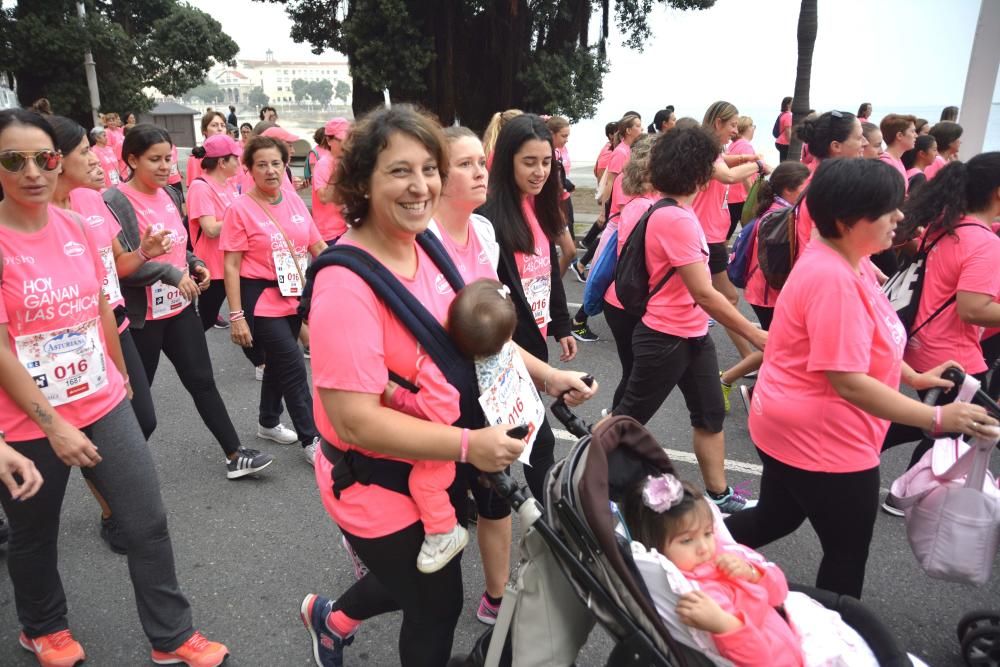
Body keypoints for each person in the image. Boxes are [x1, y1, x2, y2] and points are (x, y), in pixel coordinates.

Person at [298, 104, 596, 667]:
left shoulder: (429, 249)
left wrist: (551, 376)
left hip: (431, 463)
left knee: (418, 582)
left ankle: (330, 619)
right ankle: (333, 619)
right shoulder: (345, 282)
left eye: (429, 169)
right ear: (362, 182)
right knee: (436, 604)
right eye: (400, 171)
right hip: (375, 478)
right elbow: (353, 420)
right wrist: (469, 446)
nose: (421, 185)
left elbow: (479, 338)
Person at [0, 108, 230, 667]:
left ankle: (171, 635)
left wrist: (120, 374)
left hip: (100, 397)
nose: (34, 171)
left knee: (145, 519)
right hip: (28, 418)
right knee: (34, 532)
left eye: (45, 158)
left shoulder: (79, 226)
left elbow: (99, 302)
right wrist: (53, 425)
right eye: (14, 160)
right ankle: (44, 627)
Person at [724, 157, 996, 598]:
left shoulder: (852, 260)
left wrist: (915, 374)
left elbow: (879, 334)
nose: (900, 217)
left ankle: (690, 555)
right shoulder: (833, 278)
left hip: (791, 424)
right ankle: (840, 636)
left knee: (776, 517)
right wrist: (940, 419)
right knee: (846, 552)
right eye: (888, 209)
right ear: (849, 219)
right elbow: (848, 381)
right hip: (824, 439)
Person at [610, 125, 767, 514]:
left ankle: (719, 493)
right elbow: (703, 292)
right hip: (665, 338)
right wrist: (753, 332)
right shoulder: (675, 219)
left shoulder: (677, 211)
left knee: (710, 414)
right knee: (627, 420)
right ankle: (592, 487)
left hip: (692, 334)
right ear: (699, 172)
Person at [108, 123, 273, 480]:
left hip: (179, 308)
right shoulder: (115, 201)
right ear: (132, 159)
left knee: (202, 380)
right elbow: (119, 268)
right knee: (138, 405)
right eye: (155, 159)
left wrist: (195, 264)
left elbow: (180, 246)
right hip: (141, 317)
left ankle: (234, 453)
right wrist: (170, 275)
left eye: (169, 158)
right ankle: (118, 477)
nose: (167, 166)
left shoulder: (169, 194)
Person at [49, 113, 172, 551]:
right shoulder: (35, 214)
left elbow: (116, 269)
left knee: (143, 419)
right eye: (84, 151)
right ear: (56, 160)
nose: (95, 158)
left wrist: (146, 253)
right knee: (75, 438)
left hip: (114, 323)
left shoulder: (93, 201)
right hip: (63, 343)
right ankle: (111, 512)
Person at [880, 152, 1000, 515]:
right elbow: (973, 308)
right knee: (957, 426)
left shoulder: (948, 225)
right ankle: (902, 494)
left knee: (935, 420)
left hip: (921, 343)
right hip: (952, 357)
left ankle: (863, 445)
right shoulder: (985, 243)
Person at [427, 125, 512, 624]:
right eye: (465, 163)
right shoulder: (421, 240)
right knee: (441, 507)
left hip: (487, 390)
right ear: (439, 175)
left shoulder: (484, 232)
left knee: (499, 493)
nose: (480, 171)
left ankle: (496, 597)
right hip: (437, 397)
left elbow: (492, 323)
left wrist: (542, 375)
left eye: (482, 161)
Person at [385, 279, 524, 573]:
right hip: (484, 440)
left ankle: (444, 532)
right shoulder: (496, 362)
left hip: (445, 449)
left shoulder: (438, 371)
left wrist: (397, 396)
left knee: (422, 484)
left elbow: (434, 409)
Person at [477, 112, 580, 500]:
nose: (539, 172)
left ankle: (491, 499)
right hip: (504, 352)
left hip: (533, 344)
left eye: (546, 162)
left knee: (507, 446)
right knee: (537, 442)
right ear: (507, 161)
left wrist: (562, 326)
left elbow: (549, 270)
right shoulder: (487, 219)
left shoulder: (539, 206)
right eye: (529, 162)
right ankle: (559, 527)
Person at [221, 135, 327, 465]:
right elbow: (231, 264)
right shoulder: (240, 209)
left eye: (276, 163)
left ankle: (268, 420)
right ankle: (312, 439)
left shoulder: (294, 201)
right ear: (249, 169)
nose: (270, 170)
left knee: (280, 366)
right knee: (293, 362)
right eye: (262, 164)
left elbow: (318, 246)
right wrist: (236, 316)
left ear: (286, 165)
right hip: (262, 299)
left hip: (294, 295)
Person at [624, 474, 803, 666]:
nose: (704, 547)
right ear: (656, 547)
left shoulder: (721, 553)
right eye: (687, 540)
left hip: (788, 637)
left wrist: (752, 573)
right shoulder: (699, 594)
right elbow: (760, 661)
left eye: (708, 533)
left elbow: (779, 594)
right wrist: (725, 624)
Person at [720, 162, 810, 413]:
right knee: (781, 347)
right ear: (790, 189)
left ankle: (733, 382)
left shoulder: (776, 210)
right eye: (805, 186)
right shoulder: (783, 216)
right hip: (770, 294)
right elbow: (782, 264)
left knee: (779, 346)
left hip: (763, 291)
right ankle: (735, 384)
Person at [694, 101, 771, 363]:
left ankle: (744, 356)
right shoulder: (704, 149)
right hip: (706, 233)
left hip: (710, 231)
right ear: (718, 123)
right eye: (733, 125)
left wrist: (744, 158)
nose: (735, 131)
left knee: (706, 295)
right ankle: (747, 356)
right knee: (726, 297)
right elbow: (726, 175)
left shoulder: (711, 149)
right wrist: (759, 165)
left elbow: (723, 162)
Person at [602, 134, 656, 411]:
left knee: (634, 374)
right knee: (635, 377)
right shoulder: (648, 208)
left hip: (620, 300)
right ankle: (612, 429)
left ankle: (614, 427)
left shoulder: (638, 204)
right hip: (628, 302)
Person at [187, 133, 242, 331]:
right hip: (212, 266)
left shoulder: (229, 185)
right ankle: (190, 355)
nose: (239, 162)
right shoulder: (200, 187)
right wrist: (240, 218)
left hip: (234, 261)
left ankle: (261, 360)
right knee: (206, 318)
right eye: (235, 158)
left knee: (247, 313)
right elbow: (210, 229)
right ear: (222, 162)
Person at [311, 117, 351, 242]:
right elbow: (324, 198)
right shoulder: (323, 164)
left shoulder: (347, 161)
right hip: (328, 233)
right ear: (329, 140)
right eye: (341, 140)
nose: (346, 145)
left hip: (344, 228)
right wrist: (337, 172)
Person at [545, 115, 576, 275]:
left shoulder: (556, 152)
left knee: (570, 251)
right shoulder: (546, 154)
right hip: (547, 207)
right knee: (568, 250)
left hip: (556, 204)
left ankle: (553, 283)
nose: (566, 140)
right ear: (551, 133)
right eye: (564, 135)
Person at [725, 116, 758, 241]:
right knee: (750, 234)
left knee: (728, 231)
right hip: (742, 196)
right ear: (747, 128)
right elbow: (746, 176)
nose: (754, 129)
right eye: (753, 126)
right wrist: (752, 197)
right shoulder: (746, 147)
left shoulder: (733, 145)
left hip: (732, 195)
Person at [185, 110, 228, 186]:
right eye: (214, 125)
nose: (220, 129)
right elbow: (195, 190)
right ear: (204, 130)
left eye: (223, 125)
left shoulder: (231, 155)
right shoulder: (196, 158)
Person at [878, 113, 917, 191]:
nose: (916, 135)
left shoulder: (896, 159)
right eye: (912, 131)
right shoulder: (886, 163)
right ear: (899, 136)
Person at [773, 96, 792, 162]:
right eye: (793, 102)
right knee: (785, 162)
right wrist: (791, 143)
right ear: (788, 104)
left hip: (780, 141)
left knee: (783, 161)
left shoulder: (782, 114)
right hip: (784, 143)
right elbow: (788, 131)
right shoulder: (788, 115)